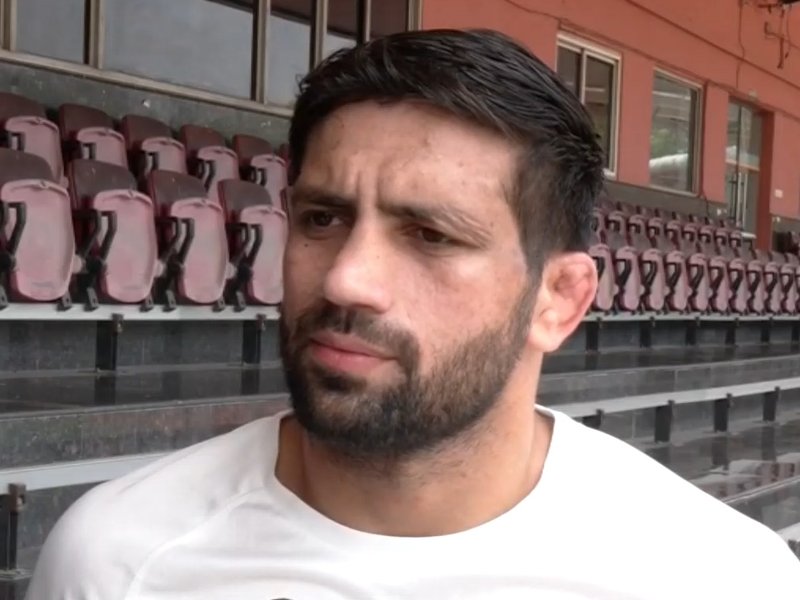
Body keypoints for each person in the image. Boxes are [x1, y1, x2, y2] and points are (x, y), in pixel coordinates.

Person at [27, 29, 798, 599]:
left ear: (558, 300)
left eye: (431, 235)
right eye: (323, 219)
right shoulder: (117, 562)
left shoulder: (718, 577)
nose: (347, 280)